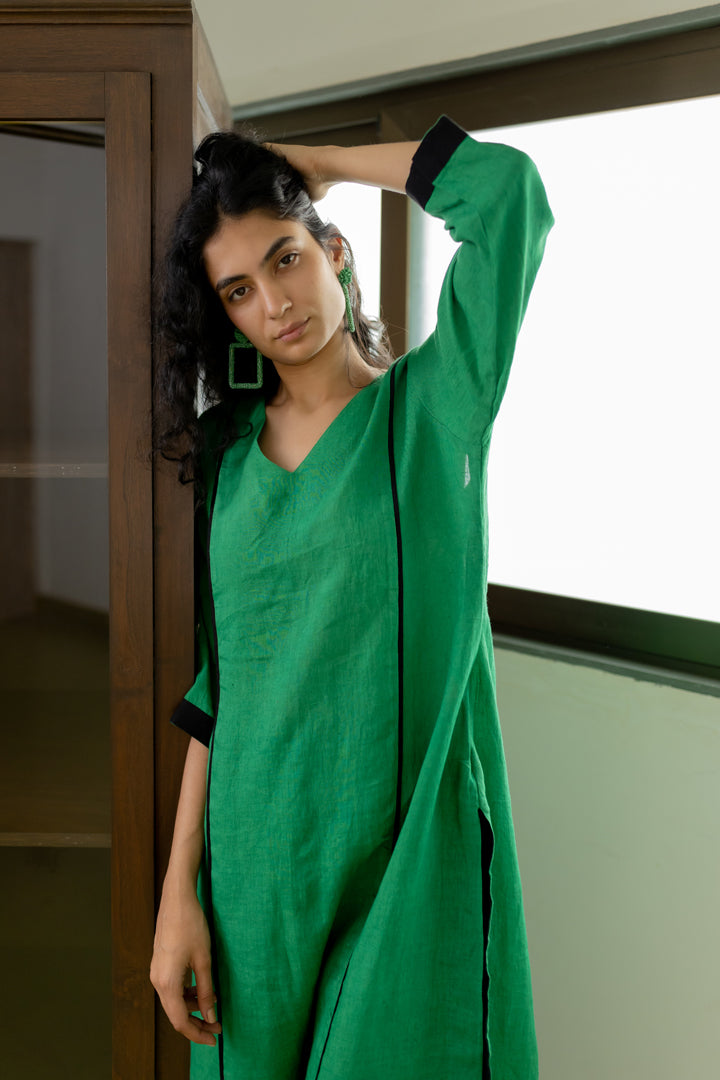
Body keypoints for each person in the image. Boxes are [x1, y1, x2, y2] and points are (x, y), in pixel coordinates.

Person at [150, 115, 553, 1080]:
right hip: (255, 867)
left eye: (286, 260)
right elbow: (221, 679)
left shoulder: (436, 407)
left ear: (334, 251)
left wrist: (318, 165)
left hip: (405, 860)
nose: (274, 304)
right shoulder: (226, 455)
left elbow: (509, 196)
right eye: (239, 291)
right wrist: (178, 889)